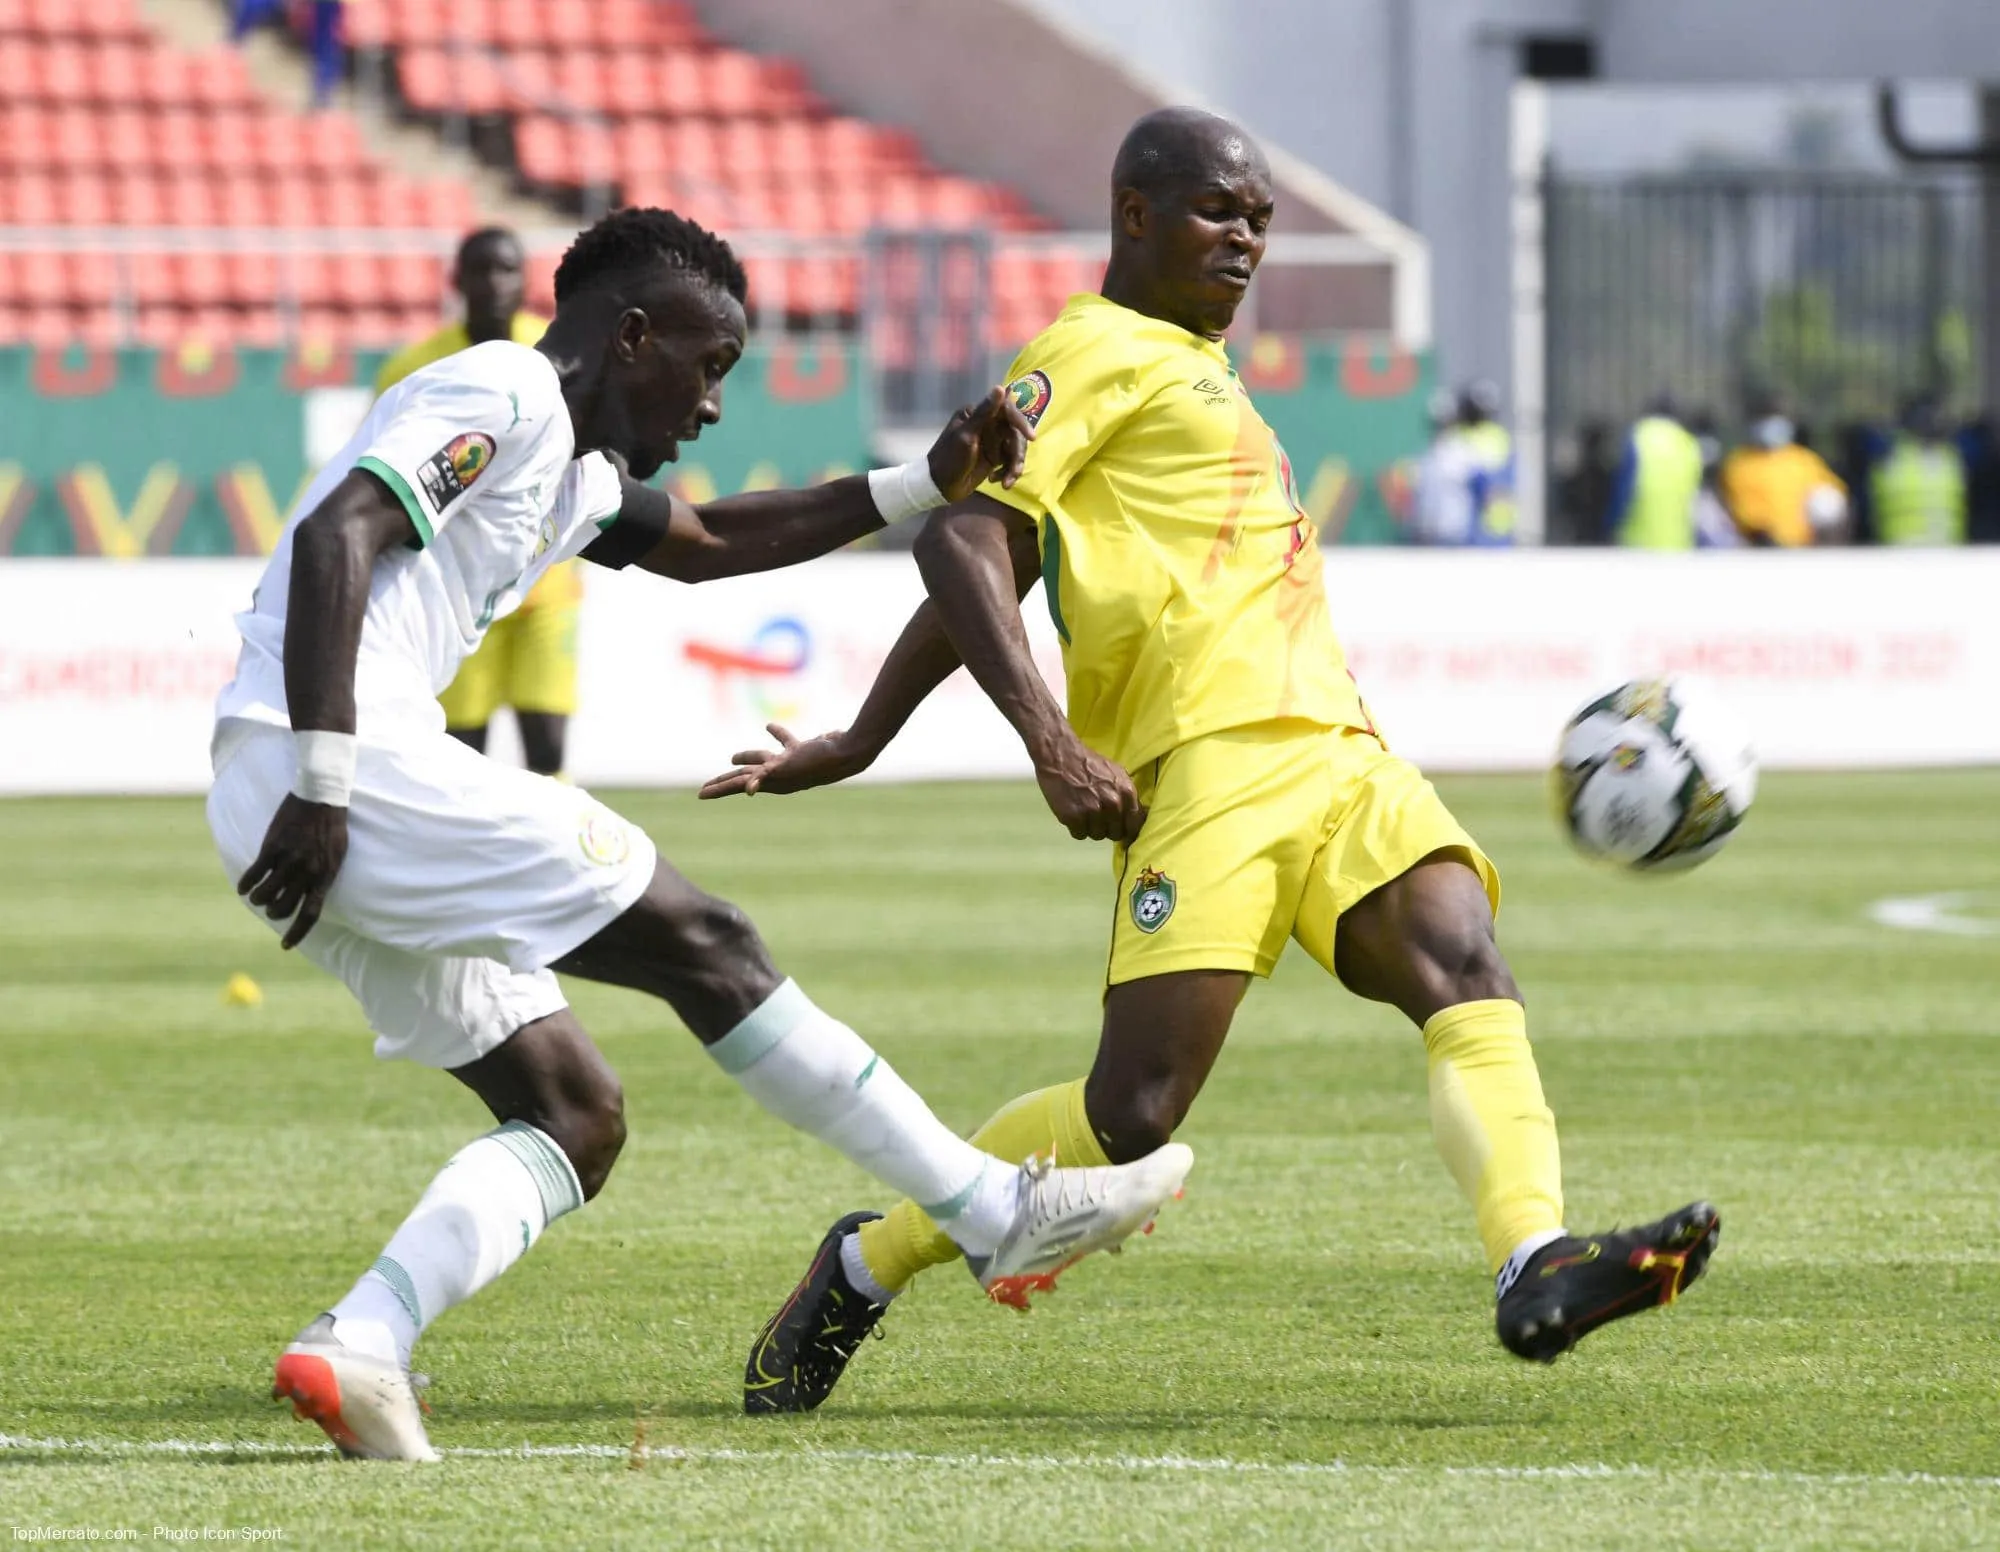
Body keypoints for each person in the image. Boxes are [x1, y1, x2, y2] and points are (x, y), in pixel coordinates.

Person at [706, 109, 1719, 1416]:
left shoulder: (1201, 370)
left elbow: (993, 559)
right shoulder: (1091, 351)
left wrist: (860, 734)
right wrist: (1045, 742)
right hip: (1204, 767)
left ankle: (1535, 1256)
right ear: (1135, 213)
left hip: (1339, 749)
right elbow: (965, 544)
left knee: (1467, 965)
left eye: (1260, 220)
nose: (1245, 238)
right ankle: (867, 1259)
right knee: (1133, 1113)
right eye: (1216, 212)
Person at [208, 208, 1193, 1462]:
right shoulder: (503, 387)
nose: (713, 405)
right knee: (708, 938)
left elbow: (715, 542)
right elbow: (338, 530)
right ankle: (990, 1207)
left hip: (311, 787)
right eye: (708, 364)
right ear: (630, 335)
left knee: (575, 1114)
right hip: (340, 769)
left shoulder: (566, 469)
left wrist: (917, 483)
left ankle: (361, 1340)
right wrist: (327, 778)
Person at [375, 229, 580, 777]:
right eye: (481, 270)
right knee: (464, 751)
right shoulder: (413, 368)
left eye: (506, 269)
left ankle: (552, 859)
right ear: (456, 280)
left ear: (524, 280)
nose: (494, 282)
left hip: (547, 585)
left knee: (549, 750)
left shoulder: (556, 354)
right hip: (459, 591)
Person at [1720, 397, 1847, 547]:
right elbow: (1740, 510)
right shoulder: (1738, 464)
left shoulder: (1804, 460)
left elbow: (1832, 497)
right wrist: (1759, 534)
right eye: (1766, 418)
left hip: (1803, 547)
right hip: (1757, 550)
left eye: (1776, 417)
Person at [1607, 396, 1702, 549]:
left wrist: (1609, 525)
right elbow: (1695, 497)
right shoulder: (1689, 443)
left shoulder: (1639, 436)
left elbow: (1623, 490)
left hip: (1638, 542)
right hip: (1678, 544)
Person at [1871, 395, 1967, 546]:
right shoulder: (1889, 453)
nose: (1930, 422)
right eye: (1924, 417)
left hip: (1949, 551)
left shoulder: (1952, 456)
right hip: (1900, 551)